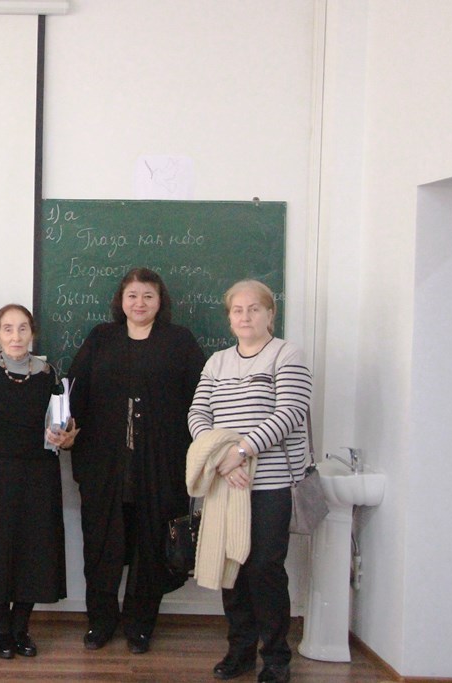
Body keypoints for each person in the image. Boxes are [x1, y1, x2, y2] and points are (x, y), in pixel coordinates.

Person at [63, 267, 205, 653]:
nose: (139, 303)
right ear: (120, 301)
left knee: (151, 547)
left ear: (161, 301)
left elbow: (201, 398)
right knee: (101, 546)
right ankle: (101, 622)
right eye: (132, 295)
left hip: (161, 466)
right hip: (104, 466)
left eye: (148, 296)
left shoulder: (179, 341)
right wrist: (66, 428)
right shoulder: (101, 338)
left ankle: (140, 625)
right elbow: (74, 391)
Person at [187, 279, 311, 683]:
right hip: (227, 484)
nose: (245, 316)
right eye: (237, 310)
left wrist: (241, 451)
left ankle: (275, 657)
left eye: (254, 309)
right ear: (229, 318)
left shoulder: (286, 354)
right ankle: (239, 651)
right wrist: (221, 459)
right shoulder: (217, 362)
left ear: (270, 314)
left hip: (271, 485)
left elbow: (289, 412)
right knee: (233, 568)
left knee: (264, 569)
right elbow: (197, 414)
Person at [0, 304, 70, 659]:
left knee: (34, 551)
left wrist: (62, 434)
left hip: (40, 475)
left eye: (23, 328)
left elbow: (61, 422)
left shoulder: (48, 373)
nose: (16, 336)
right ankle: (0, 629)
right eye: (8, 329)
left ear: (32, 333)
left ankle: (21, 627)